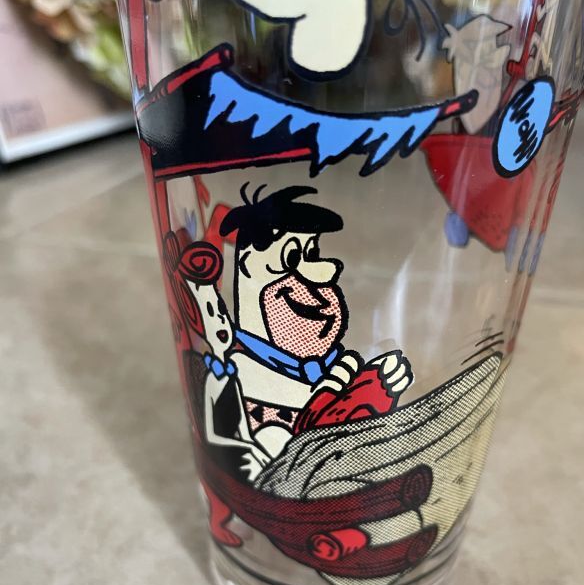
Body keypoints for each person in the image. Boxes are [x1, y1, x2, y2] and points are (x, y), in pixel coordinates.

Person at [220, 184, 413, 457]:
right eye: (291, 257)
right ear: (248, 264)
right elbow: (305, 447)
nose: (324, 273)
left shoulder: (326, 366)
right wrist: (365, 388)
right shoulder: (240, 376)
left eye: (311, 254)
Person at [176, 238, 271, 482]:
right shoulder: (213, 380)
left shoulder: (230, 376)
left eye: (221, 312)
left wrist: (255, 448)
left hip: (241, 450)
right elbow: (212, 435)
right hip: (225, 455)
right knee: (252, 463)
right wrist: (246, 448)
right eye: (210, 313)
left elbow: (245, 431)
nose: (220, 320)